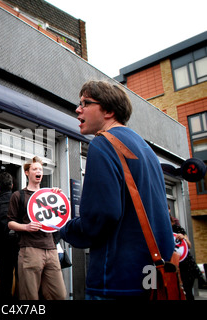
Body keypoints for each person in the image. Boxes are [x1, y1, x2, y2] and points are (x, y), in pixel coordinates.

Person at [60, 80, 175, 299]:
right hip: (153, 279)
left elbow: (100, 215)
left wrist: (66, 230)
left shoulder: (103, 144)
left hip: (115, 281)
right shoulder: (147, 150)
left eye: (85, 103)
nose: (78, 109)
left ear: (109, 111)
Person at [7, 156, 67, 300]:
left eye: (40, 169)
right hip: (30, 250)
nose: (38, 171)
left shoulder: (49, 194)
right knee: (29, 296)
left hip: (51, 249)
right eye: (34, 169)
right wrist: (26, 227)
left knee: (59, 295)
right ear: (27, 172)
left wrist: (58, 197)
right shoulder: (18, 196)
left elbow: (61, 216)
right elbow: (10, 223)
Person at [169, 213, 204, 300]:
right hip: (173, 265)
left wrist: (183, 239)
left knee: (187, 292)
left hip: (186, 264)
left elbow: (189, 245)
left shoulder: (178, 229)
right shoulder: (161, 231)